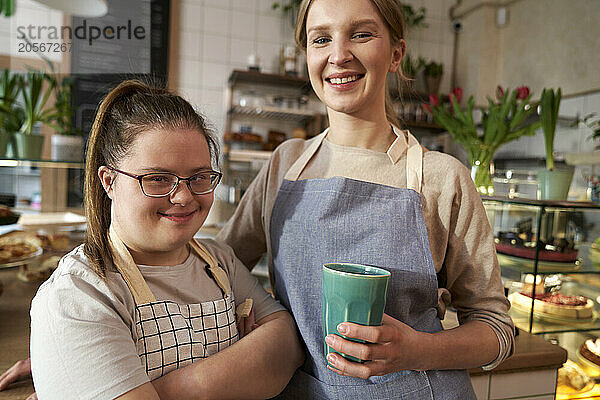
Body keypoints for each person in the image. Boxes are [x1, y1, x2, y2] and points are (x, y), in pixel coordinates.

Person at [216, 0, 515, 398]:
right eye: (321, 39)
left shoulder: (443, 179)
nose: (339, 56)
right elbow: (221, 269)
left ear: (396, 53)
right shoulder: (285, 163)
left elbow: (495, 327)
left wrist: (417, 351)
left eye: (361, 34)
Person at [26, 80, 303, 399]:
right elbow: (270, 359)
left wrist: (165, 390)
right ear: (109, 181)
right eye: (157, 179)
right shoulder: (78, 295)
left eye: (199, 177)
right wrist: (244, 363)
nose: (184, 196)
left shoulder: (218, 261)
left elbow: (287, 342)